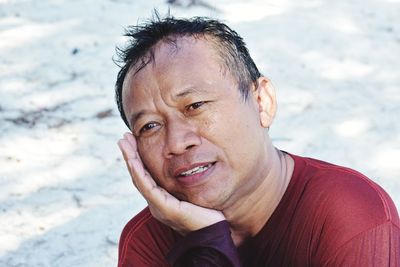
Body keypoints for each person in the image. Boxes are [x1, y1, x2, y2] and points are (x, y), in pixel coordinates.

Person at [114, 14, 400, 267]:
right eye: (150, 126)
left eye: (195, 106)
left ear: (261, 102)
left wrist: (209, 245)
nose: (176, 143)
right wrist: (208, 241)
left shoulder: (350, 213)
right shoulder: (147, 241)